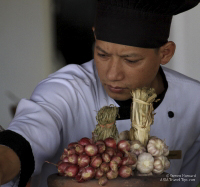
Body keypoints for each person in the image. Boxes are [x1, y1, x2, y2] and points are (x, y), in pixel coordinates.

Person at [0, 0, 200, 187]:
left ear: (165, 53)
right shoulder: (66, 89)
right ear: (95, 36)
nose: (112, 74)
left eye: (130, 60)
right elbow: (26, 135)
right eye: (102, 54)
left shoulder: (193, 100)